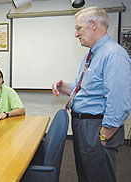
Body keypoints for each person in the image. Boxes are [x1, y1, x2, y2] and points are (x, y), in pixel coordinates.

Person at [52, 7, 131, 182]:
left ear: (93, 25)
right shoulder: (93, 54)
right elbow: (87, 91)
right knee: (86, 176)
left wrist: (104, 135)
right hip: (84, 127)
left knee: (98, 177)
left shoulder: (114, 55)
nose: (76, 34)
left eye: (78, 28)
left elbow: (119, 102)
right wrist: (64, 86)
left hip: (96, 128)